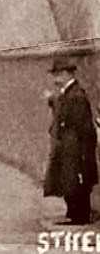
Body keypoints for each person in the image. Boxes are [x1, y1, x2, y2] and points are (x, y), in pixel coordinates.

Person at [43, 58, 98, 225]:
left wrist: (83, 150)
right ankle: (74, 214)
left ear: (68, 74)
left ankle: (79, 216)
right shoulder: (68, 92)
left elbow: (78, 123)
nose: (55, 78)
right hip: (69, 145)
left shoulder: (76, 95)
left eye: (58, 74)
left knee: (74, 180)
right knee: (68, 179)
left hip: (75, 146)